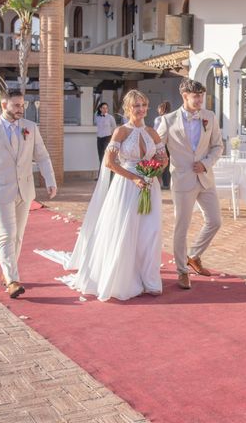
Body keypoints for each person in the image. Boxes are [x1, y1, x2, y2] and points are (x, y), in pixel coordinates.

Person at [51, 89, 168, 301]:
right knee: (127, 230)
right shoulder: (121, 132)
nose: (141, 109)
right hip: (127, 186)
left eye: (143, 105)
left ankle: (150, 279)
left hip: (149, 186)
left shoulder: (152, 132)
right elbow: (110, 163)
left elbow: (163, 158)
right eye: (136, 106)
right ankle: (125, 278)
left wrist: (154, 170)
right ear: (128, 108)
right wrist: (134, 178)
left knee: (150, 232)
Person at [0, 88, 57, 299]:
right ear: (4, 105)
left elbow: (43, 156)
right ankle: (12, 280)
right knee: (6, 235)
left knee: (18, 236)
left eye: (23, 105)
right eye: (17, 105)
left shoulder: (30, 127)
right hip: (0, 191)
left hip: (25, 190)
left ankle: (7, 272)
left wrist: (50, 179)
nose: (21, 109)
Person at [157, 78, 223, 290]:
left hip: (205, 178)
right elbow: (157, 147)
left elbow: (218, 146)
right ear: (185, 96)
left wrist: (205, 164)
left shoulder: (209, 117)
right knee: (181, 227)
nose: (200, 100)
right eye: (196, 97)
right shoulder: (168, 121)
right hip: (183, 180)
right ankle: (182, 271)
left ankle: (193, 256)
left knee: (215, 221)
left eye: (201, 96)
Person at [153, 101, 172, 189]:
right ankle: (166, 183)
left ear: (162, 109)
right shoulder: (171, 118)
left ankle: (157, 183)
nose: (157, 110)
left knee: (159, 163)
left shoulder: (158, 119)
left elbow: (155, 131)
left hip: (160, 143)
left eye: (158, 108)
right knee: (167, 164)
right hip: (170, 144)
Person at [95, 102, 117, 166]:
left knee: (107, 157)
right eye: (103, 108)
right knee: (101, 157)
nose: (105, 109)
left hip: (107, 138)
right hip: (99, 139)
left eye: (106, 108)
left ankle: (110, 174)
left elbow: (114, 128)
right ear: (100, 109)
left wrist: (111, 136)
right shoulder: (97, 117)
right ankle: (101, 175)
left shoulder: (110, 117)